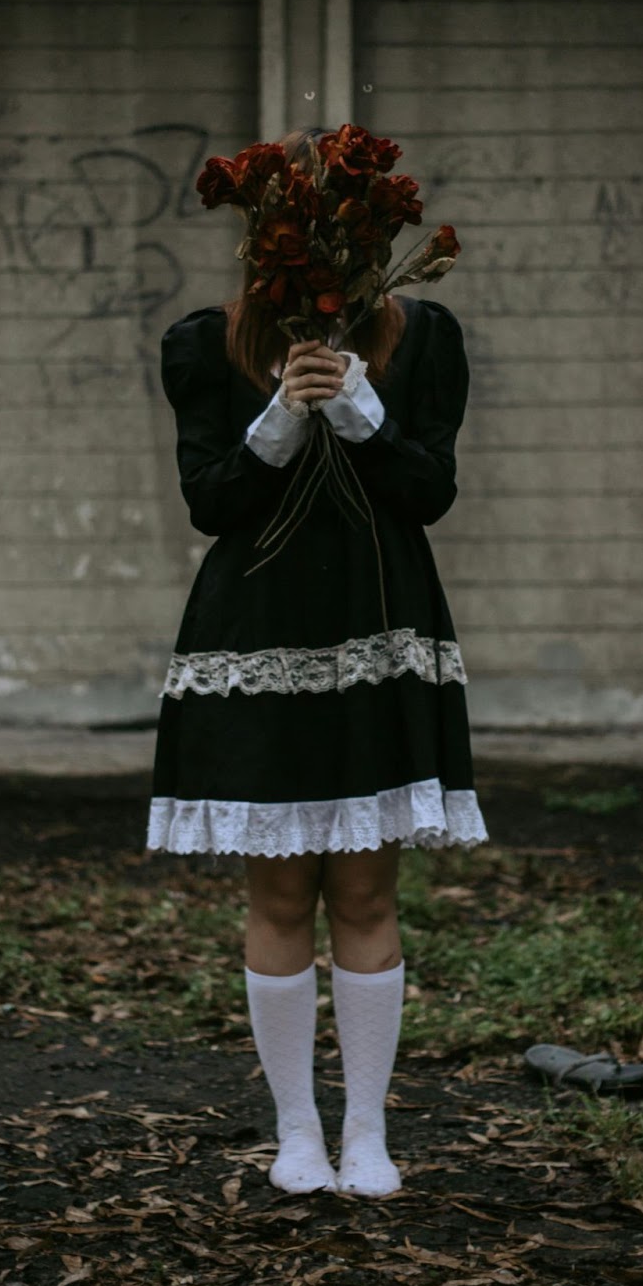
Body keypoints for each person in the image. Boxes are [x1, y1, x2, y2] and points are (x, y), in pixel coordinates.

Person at [147, 131, 488, 1199]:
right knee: (281, 887)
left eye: (350, 245)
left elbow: (426, 489)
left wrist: (360, 408)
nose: (331, 269)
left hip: (381, 633)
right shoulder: (207, 344)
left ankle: (368, 1132)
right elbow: (211, 502)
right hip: (255, 642)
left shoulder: (423, 337)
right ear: (266, 251)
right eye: (307, 246)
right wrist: (281, 420)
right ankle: (297, 1129)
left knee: (367, 885)